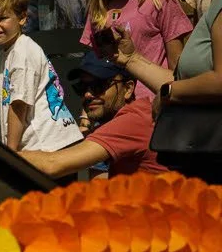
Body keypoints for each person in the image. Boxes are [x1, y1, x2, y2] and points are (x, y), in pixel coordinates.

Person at [0, 0, 83, 154]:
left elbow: (19, 105)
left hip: (46, 146)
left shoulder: (21, 53)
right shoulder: (10, 52)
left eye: (2, 18)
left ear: (22, 18)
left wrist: (10, 151)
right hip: (51, 143)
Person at [17, 53, 160, 177]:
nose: (87, 94)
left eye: (99, 86)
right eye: (82, 87)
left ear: (128, 88)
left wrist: (3, 156)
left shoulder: (130, 122)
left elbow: (53, 164)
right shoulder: (140, 113)